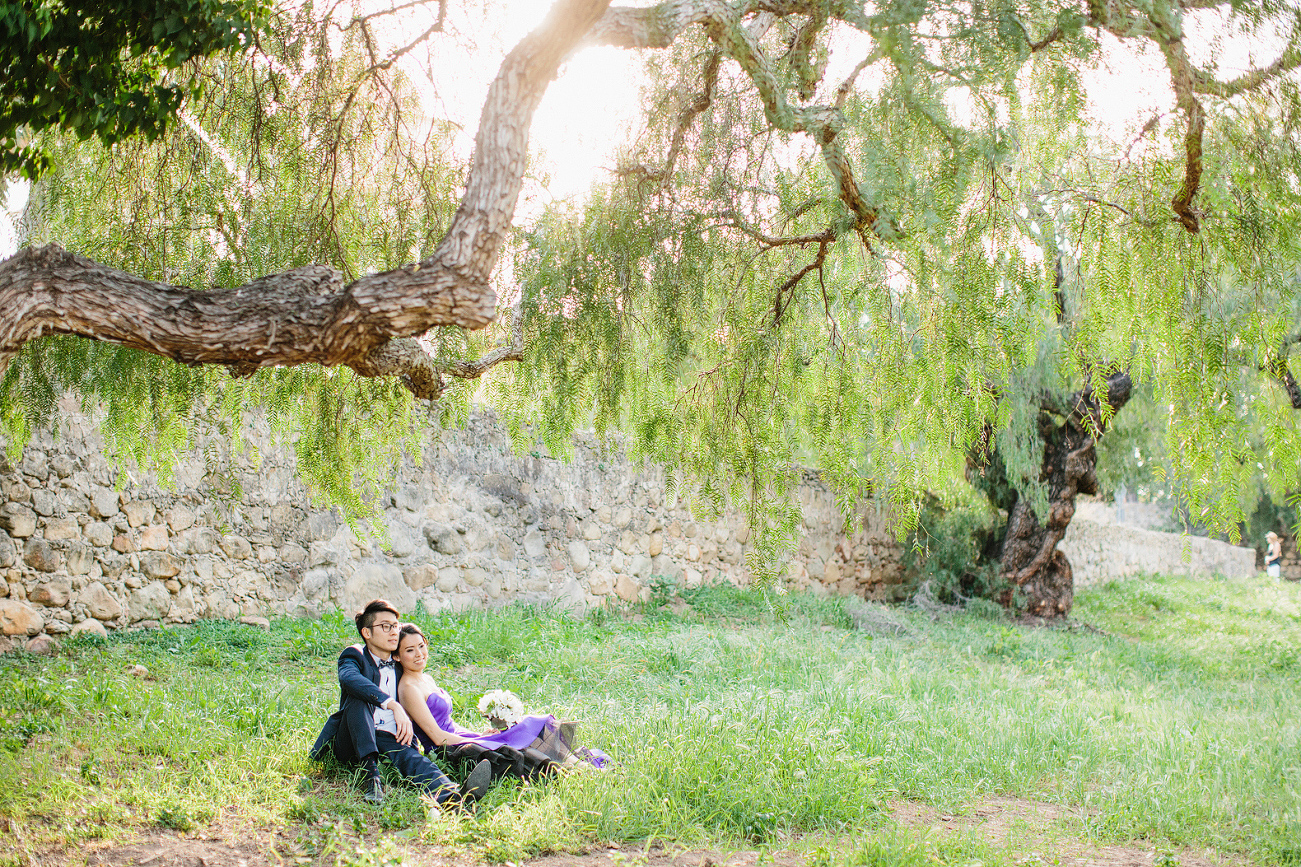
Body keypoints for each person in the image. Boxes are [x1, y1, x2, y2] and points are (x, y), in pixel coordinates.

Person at [309, 599, 492, 807]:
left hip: (389, 736)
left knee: (416, 761)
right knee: (357, 697)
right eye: (386, 626)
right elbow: (349, 679)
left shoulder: (398, 664)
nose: (394, 631)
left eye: (395, 626)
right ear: (367, 633)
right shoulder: (354, 655)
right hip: (351, 737)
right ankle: (371, 777)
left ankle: (454, 798)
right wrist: (391, 704)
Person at [394, 623, 608, 779]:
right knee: (517, 744)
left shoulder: (426, 678)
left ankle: (579, 766)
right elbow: (436, 735)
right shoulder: (409, 689)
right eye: (409, 650)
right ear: (396, 656)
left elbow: (448, 723)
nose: (419, 654)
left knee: (531, 724)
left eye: (421, 646)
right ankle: (580, 770)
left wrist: (478, 734)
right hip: (448, 748)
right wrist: (479, 742)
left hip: (458, 735)